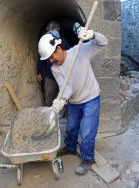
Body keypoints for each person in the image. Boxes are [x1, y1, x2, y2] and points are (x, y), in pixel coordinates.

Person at [38, 27, 108, 175]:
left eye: (51, 56)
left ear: (58, 48)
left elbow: (103, 43)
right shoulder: (55, 69)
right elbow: (66, 87)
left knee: (87, 132)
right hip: (75, 102)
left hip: (91, 98)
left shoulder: (79, 51)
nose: (50, 61)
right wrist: (61, 100)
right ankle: (70, 148)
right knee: (70, 128)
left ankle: (88, 159)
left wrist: (93, 34)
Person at [37, 21, 70, 107]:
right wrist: (39, 71)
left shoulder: (63, 41)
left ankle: (61, 113)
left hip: (62, 73)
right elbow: (41, 58)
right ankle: (48, 111)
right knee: (49, 94)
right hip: (49, 75)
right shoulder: (44, 43)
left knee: (62, 94)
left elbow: (68, 55)